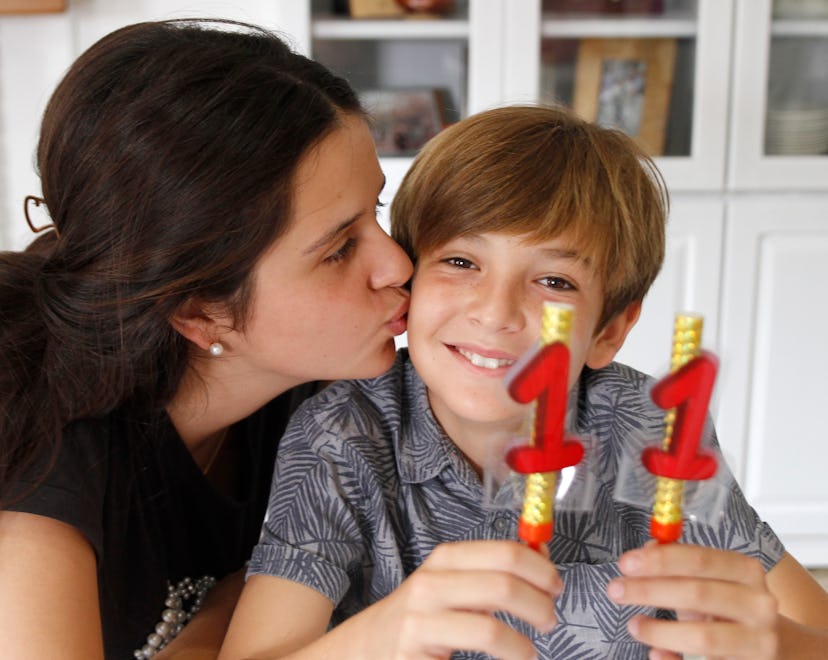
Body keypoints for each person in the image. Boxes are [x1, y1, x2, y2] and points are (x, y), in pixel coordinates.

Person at [220, 104, 828, 659]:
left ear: (610, 329)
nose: (496, 313)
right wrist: (378, 636)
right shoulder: (340, 435)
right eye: (461, 262)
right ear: (409, 281)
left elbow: (814, 630)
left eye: (554, 282)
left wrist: (778, 644)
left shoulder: (653, 428)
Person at [0, 18, 417, 660]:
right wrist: (230, 611)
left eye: (376, 213)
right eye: (338, 249)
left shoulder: (328, 404)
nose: (398, 265)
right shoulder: (51, 471)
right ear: (199, 312)